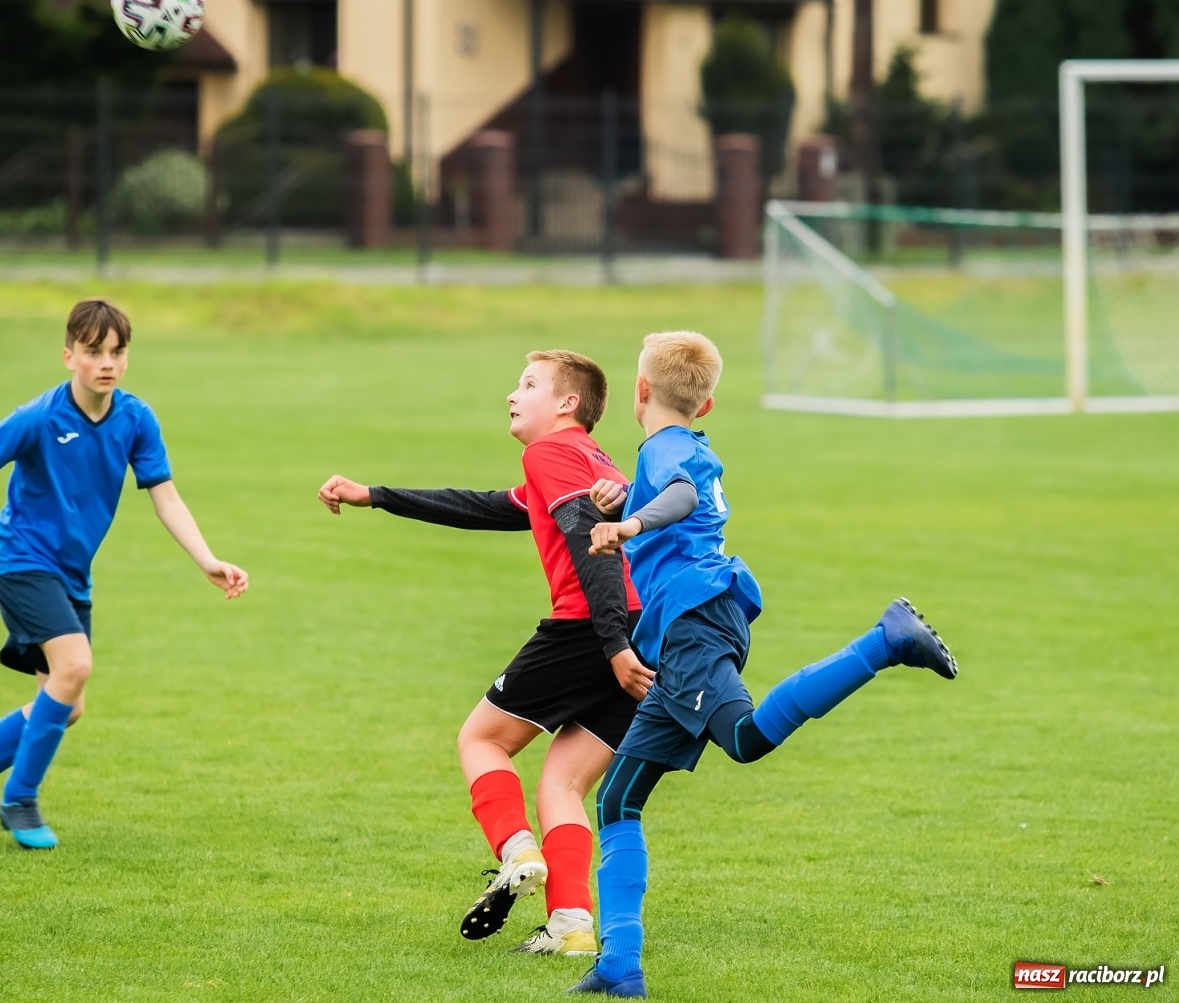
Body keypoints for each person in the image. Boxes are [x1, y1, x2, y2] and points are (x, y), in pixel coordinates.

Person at [569, 331, 957, 998]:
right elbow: (675, 493)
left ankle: (884, 641)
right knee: (618, 800)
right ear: (708, 404)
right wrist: (624, 497)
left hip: (691, 624)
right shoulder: (685, 443)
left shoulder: (666, 451)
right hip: (693, 622)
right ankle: (618, 966)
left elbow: (683, 499)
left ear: (638, 391)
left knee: (744, 740)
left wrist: (629, 526)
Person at [318, 350, 656, 957]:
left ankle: (517, 851)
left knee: (482, 740)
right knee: (563, 784)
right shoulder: (588, 459)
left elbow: (591, 544)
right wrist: (378, 495)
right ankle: (573, 925)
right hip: (637, 628)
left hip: (592, 629)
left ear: (566, 405)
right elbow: (488, 508)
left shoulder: (550, 451)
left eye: (528, 384)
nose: (512, 394)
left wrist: (609, 644)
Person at [0, 298, 248, 850]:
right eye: (94, 352)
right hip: (20, 560)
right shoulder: (40, 418)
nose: (107, 363)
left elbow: (166, 497)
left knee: (67, 706)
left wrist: (207, 558)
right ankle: (19, 799)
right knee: (76, 667)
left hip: (70, 574)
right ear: (69, 356)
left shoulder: (137, 419)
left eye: (117, 352)